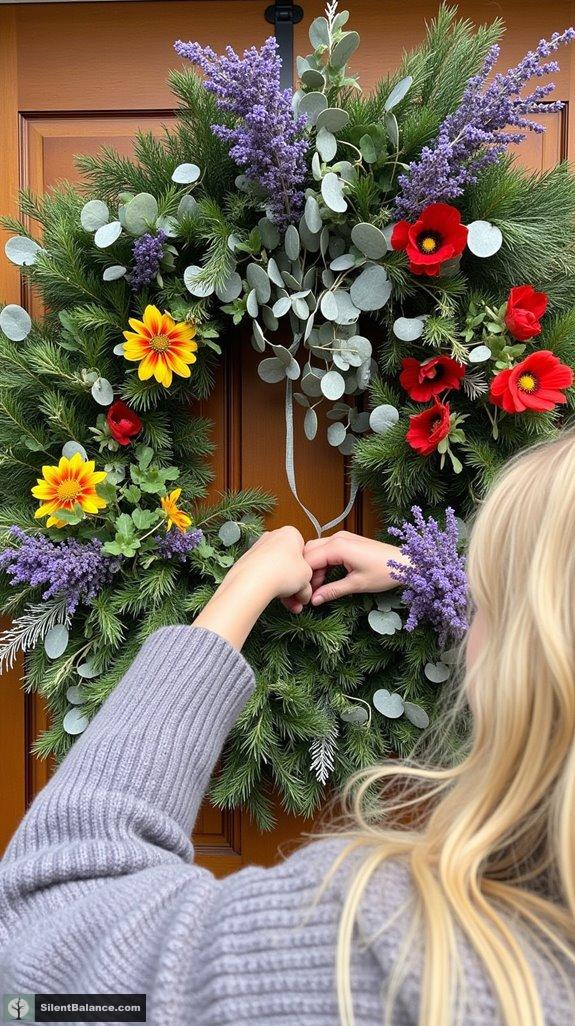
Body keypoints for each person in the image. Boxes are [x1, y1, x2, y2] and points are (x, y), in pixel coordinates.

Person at [2, 431, 575, 1026]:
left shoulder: (380, 944)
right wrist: (421, 568)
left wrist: (240, 589)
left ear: (523, 661)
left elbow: (47, 956)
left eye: (481, 601)